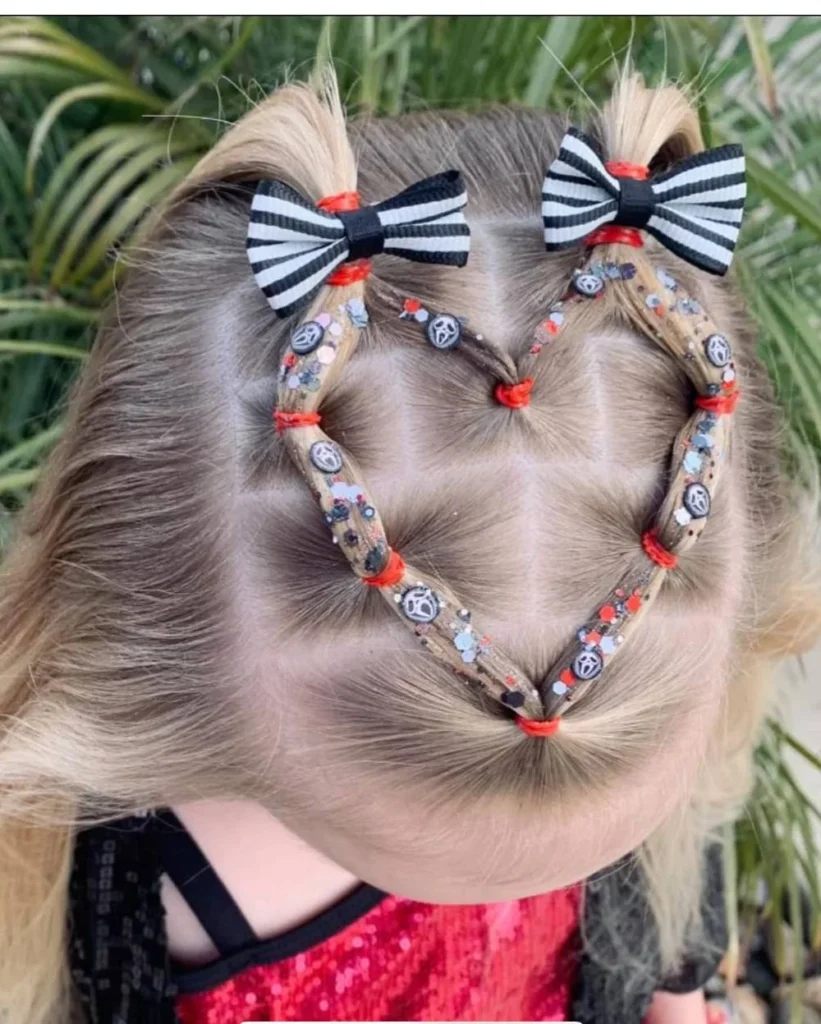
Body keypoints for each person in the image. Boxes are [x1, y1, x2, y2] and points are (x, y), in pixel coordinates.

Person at [0, 68, 816, 1024]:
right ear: (149, 712)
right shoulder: (104, 878)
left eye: (596, 861)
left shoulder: (627, 673)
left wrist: (671, 992)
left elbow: (675, 882)